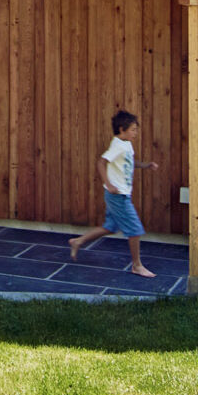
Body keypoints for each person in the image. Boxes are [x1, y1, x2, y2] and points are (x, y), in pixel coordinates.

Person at [69, 110, 159, 277]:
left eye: (136, 129)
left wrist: (146, 166)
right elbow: (101, 162)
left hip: (121, 194)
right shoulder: (117, 145)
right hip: (117, 195)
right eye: (133, 129)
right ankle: (137, 265)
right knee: (135, 229)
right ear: (121, 129)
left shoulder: (126, 144)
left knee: (110, 227)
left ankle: (78, 241)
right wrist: (108, 184)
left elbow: (129, 163)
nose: (136, 133)